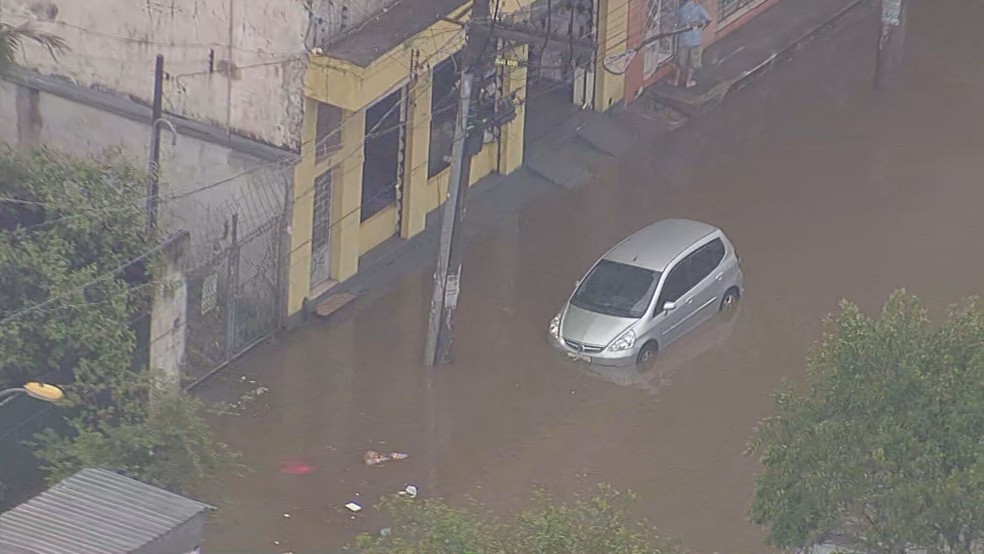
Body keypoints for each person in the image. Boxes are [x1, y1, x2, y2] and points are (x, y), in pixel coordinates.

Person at [676, 0, 711, 88]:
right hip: (695, 40)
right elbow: (708, 20)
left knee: (680, 62)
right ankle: (688, 82)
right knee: (692, 63)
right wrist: (699, 27)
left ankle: (676, 81)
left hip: (682, 39)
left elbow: (676, 24)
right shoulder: (698, 8)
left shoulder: (680, 9)